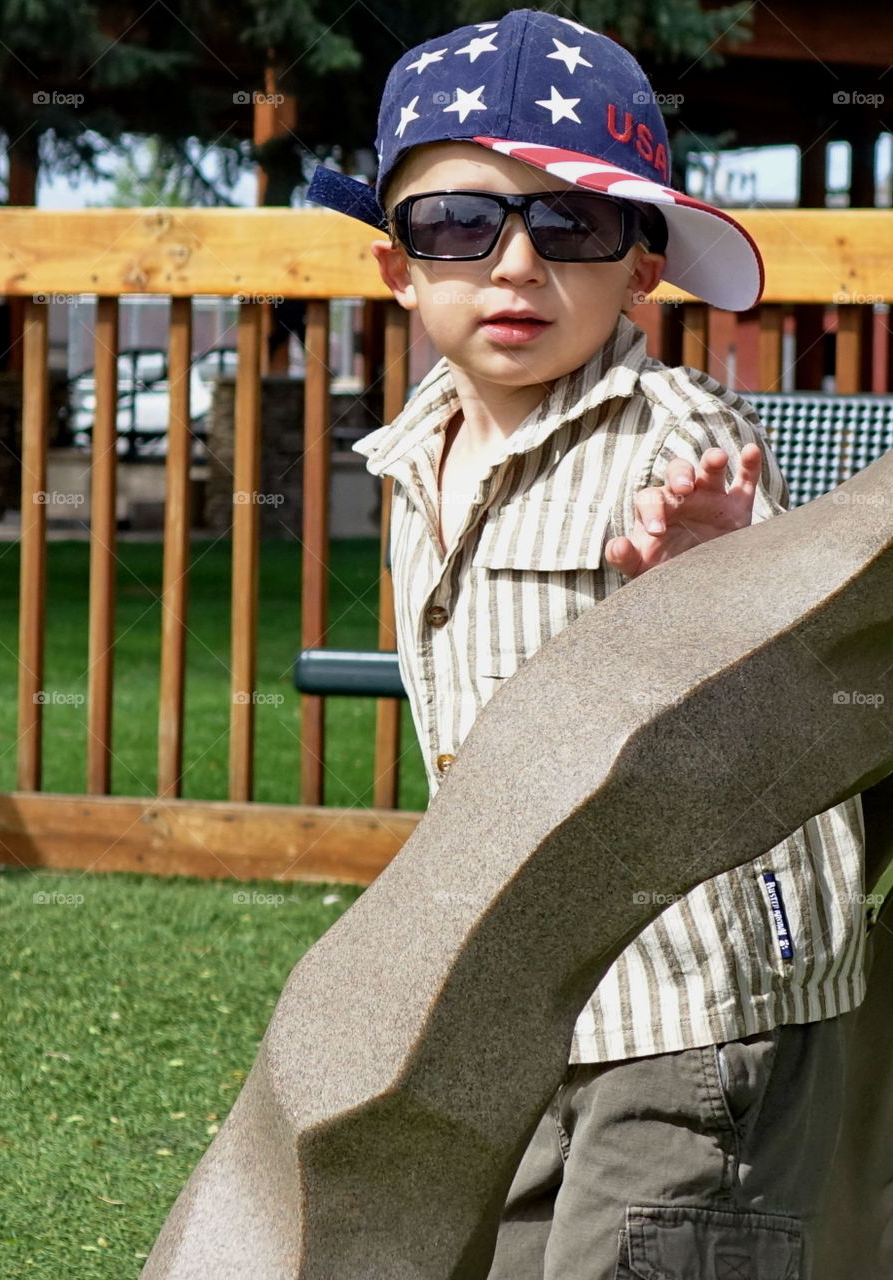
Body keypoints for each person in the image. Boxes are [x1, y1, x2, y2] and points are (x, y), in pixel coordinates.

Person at [307, 11, 865, 1277]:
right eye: (460, 221)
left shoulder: (677, 441)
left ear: (642, 272)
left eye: (573, 223)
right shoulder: (415, 450)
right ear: (399, 266)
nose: (514, 263)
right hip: (529, 992)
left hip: (696, 997)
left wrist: (721, 571)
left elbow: (798, 680)